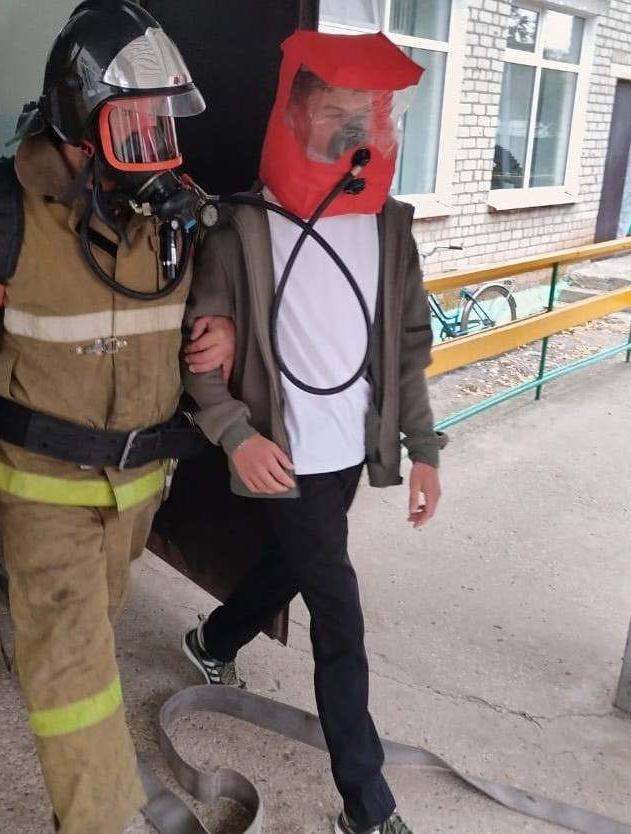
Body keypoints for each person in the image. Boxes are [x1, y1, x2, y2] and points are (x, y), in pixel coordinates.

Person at [0, 3, 233, 833]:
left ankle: (92, 792)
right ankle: (100, 820)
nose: (156, 140)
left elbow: (194, 313)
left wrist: (222, 329)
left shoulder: (166, 220)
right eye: (136, 122)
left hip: (137, 492)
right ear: (82, 117)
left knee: (90, 646)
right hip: (39, 487)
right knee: (71, 672)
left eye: (161, 121)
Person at [180, 31, 447, 834]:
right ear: (295, 114)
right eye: (338, 112)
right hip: (281, 453)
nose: (360, 129)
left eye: (373, 114)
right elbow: (200, 358)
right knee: (339, 612)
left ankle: (213, 640)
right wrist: (236, 434)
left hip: (349, 451)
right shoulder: (240, 227)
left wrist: (424, 448)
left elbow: (407, 345)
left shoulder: (390, 226)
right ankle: (366, 803)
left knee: (296, 563)